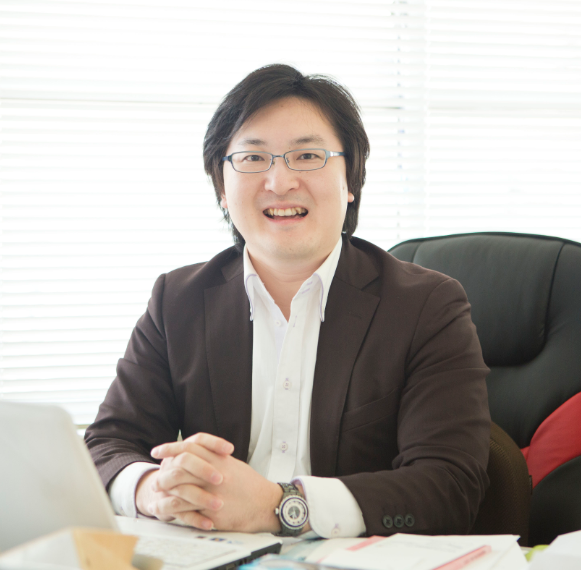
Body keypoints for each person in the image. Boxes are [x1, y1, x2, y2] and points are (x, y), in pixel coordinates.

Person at [85, 64, 491, 539]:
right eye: (253, 158)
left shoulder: (426, 307)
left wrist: (280, 506)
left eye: (308, 156)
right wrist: (151, 489)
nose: (279, 182)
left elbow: (450, 487)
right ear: (221, 188)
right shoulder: (177, 301)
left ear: (351, 180)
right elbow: (107, 445)